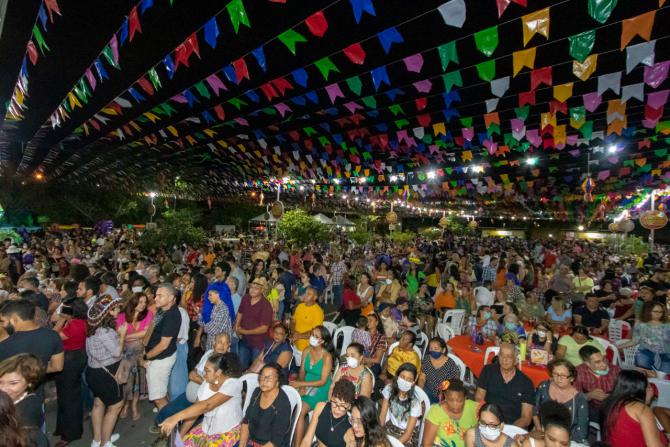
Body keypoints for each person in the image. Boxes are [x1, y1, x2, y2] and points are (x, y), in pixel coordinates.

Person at [158, 353, 244, 446]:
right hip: (206, 430)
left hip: (227, 432)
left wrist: (175, 418)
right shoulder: (206, 384)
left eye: (207, 371)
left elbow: (207, 405)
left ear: (218, 372)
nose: (203, 374)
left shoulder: (233, 384)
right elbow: (196, 411)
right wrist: (179, 440)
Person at [156, 332, 231, 423]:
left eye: (226, 343)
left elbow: (219, 387)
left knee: (192, 423)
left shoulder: (227, 363)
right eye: (220, 342)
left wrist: (198, 380)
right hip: (190, 394)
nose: (222, 345)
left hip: (205, 400)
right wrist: (194, 371)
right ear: (214, 342)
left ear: (228, 346)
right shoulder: (209, 353)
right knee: (165, 412)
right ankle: (164, 427)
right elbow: (197, 368)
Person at [85, 296, 126, 447]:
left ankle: (97, 439)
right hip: (105, 373)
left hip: (93, 371)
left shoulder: (93, 328)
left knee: (98, 403)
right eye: (115, 309)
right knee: (115, 406)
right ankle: (105, 443)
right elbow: (116, 352)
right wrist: (121, 336)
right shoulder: (104, 331)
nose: (118, 311)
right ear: (108, 312)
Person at [52, 296, 89, 445]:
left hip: (70, 360)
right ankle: (64, 429)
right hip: (73, 357)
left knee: (69, 398)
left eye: (65, 308)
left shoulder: (76, 325)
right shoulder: (77, 322)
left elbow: (53, 336)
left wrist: (61, 319)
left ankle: (70, 434)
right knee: (65, 395)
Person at [290, 325, 334, 447]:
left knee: (301, 410)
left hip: (321, 388)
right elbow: (302, 371)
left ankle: (298, 444)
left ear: (322, 341)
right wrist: (302, 386)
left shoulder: (327, 357)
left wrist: (301, 384)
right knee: (292, 402)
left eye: (316, 336)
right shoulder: (306, 351)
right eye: (312, 334)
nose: (312, 337)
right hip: (306, 383)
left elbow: (323, 381)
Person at [601, 369, 668, 447]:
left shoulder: (609, 403)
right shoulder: (640, 409)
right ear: (639, 390)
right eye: (649, 387)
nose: (652, 390)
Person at [474, 343, 534, 428]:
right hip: (487, 421)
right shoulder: (488, 371)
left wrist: (508, 431)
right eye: (502, 355)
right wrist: (486, 421)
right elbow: (479, 398)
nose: (505, 359)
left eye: (509, 357)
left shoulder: (526, 383)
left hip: (512, 426)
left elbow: (526, 418)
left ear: (515, 360)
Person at [115, 293, 153, 421]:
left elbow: (146, 333)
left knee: (137, 380)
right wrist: (127, 337)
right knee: (127, 380)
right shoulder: (121, 316)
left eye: (144, 302)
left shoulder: (148, 314)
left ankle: (134, 406)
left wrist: (125, 336)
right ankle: (125, 405)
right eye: (140, 302)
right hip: (125, 354)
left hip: (139, 354)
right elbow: (117, 334)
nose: (143, 305)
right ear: (133, 302)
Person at [0, 300, 64, 375]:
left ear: (14, 320)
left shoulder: (5, 344)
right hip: (38, 383)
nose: (2, 325)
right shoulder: (53, 335)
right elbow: (57, 367)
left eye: (2, 321)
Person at [532, 359, 588, 443]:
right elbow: (534, 411)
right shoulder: (544, 386)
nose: (559, 378)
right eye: (555, 374)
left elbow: (581, 433)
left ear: (572, 378)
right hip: (542, 432)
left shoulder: (580, 399)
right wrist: (539, 429)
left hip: (568, 439)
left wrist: (557, 441)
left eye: (563, 375)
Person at [239, 363, 293, 447]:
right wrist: (241, 445)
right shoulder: (257, 392)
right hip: (252, 441)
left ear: (278, 381)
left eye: (269, 378)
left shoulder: (283, 405)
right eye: (262, 376)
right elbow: (246, 421)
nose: (264, 381)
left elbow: (275, 441)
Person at [0, 354, 48, 447]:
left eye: (13, 383)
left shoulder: (26, 415)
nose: (3, 388)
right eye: (0, 382)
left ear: (30, 382)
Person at [300, 379, 356, 447]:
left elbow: (352, 442)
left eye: (342, 406)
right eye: (335, 402)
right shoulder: (320, 407)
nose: (337, 409)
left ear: (349, 406)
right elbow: (307, 440)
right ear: (331, 397)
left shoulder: (349, 430)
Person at [618, 301, 670, 373]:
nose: (659, 314)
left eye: (661, 312)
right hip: (645, 351)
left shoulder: (667, 325)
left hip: (665, 353)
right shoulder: (640, 324)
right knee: (643, 368)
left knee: (664, 375)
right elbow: (635, 341)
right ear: (648, 311)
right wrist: (617, 347)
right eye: (655, 311)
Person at [423, 379, 479, 447]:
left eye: (460, 401)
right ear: (445, 396)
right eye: (451, 400)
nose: (455, 405)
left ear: (465, 398)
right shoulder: (436, 411)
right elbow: (427, 444)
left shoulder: (474, 408)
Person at [575, 344, 621, 422]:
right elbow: (574, 398)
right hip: (594, 408)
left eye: (603, 359)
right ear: (587, 364)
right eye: (597, 362)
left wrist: (613, 397)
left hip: (615, 405)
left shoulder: (615, 370)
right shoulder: (579, 372)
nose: (604, 364)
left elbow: (625, 390)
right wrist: (589, 396)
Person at [379, 363, 423, 447]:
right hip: (390, 428)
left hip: (407, 436)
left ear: (413, 382)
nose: (405, 381)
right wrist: (379, 435)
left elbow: (408, 433)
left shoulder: (415, 403)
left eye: (409, 379)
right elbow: (382, 416)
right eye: (402, 377)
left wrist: (393, 445)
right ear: (397, 377)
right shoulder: (389, 389)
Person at [235, 277, 273, 369]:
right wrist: (237, 327)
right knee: (241, 366)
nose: (252, 290)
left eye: (256, 288)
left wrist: (245, 332)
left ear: (262, 290)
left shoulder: (266, 305)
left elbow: (264, 328)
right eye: (251, 287)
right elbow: (240, 312)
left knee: (254, 369)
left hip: (258, 343)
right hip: (244, 339)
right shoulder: (246, 298)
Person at [418, 337, 461, 403]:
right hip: (429, 389)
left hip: (444, 394)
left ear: (443, 350)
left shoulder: (450, 363)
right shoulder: (427, 359)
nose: (433, 351)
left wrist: (445, 392)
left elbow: (456, 380)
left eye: (436, 349)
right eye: (431, 348)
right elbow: (422, 379)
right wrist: (420, 394)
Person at [195, 283, 232, 351]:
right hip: (212, 344)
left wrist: (203, 319)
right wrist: (200, 315)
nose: (208, 297)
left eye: (210, 295)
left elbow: (212, 329)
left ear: (218, 294)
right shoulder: (215, 306)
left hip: (220, 348)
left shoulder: (222, 309)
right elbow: (204, 323)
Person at [292, 287, 324, 352]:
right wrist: (293, 332)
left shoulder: (318, 312)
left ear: (315, 298)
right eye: (305, 293)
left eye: (308, 294)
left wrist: (299, 336)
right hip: (295, 343)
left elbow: (315, 332)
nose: (305, 296)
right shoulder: (300, 306)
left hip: (307, 348)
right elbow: (293, 321)